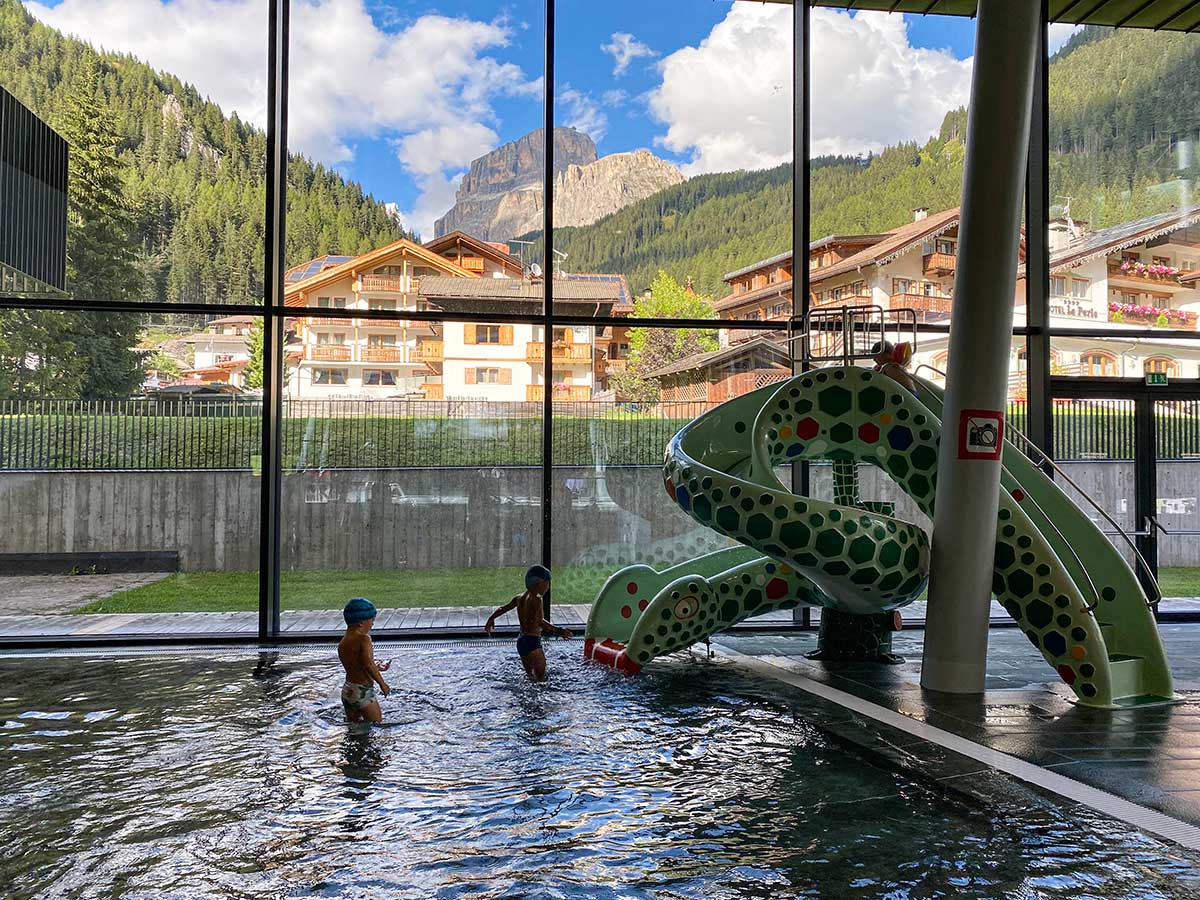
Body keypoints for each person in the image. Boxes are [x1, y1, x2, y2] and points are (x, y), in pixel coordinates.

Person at [484, 565, 572, 681]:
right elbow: (540, 622)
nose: (548, 587)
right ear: (540, 583)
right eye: (548, 583)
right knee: (541, 679)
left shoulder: (519, 597)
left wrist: (491, 618)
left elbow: (503, 608)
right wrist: (559, 631)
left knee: (530, 678)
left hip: (521, 642)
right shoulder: (537, 599)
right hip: (533, 642)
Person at [338, 597, 391, 723]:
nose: (373, 623)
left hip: (348, 691)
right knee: (377, 725)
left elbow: (357, 665)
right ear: (361, 622)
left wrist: (376, 666)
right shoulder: (364, 639)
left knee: (354, 729)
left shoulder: (343, 643)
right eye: (371, 620)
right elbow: (368, 664)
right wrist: (382, 684)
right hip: (363, 692)